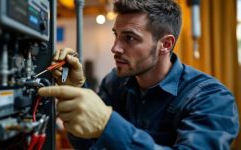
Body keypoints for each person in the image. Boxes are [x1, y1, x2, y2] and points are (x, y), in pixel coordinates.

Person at [38, 0, 239, 149]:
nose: (115, 48)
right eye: (116, 36)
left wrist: (108, 125)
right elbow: (87, 145)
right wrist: (76, 92)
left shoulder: (211, 99)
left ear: (165, 44)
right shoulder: (115, 82)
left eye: (130, 38)